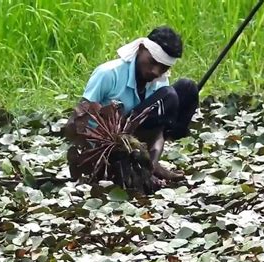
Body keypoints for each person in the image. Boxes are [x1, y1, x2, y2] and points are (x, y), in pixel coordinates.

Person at [79, 26, 199, 182]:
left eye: (163, 68)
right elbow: (80, 117)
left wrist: (151, 166)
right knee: (169, 95)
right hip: (111, 147)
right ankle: (136, 165)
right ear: (141, 49)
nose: (156, 72)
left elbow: (158, 131)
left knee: (186, 88)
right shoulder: (108, 73)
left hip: (138, 144)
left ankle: (149, 165)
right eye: (152, 62)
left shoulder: (160, 83)